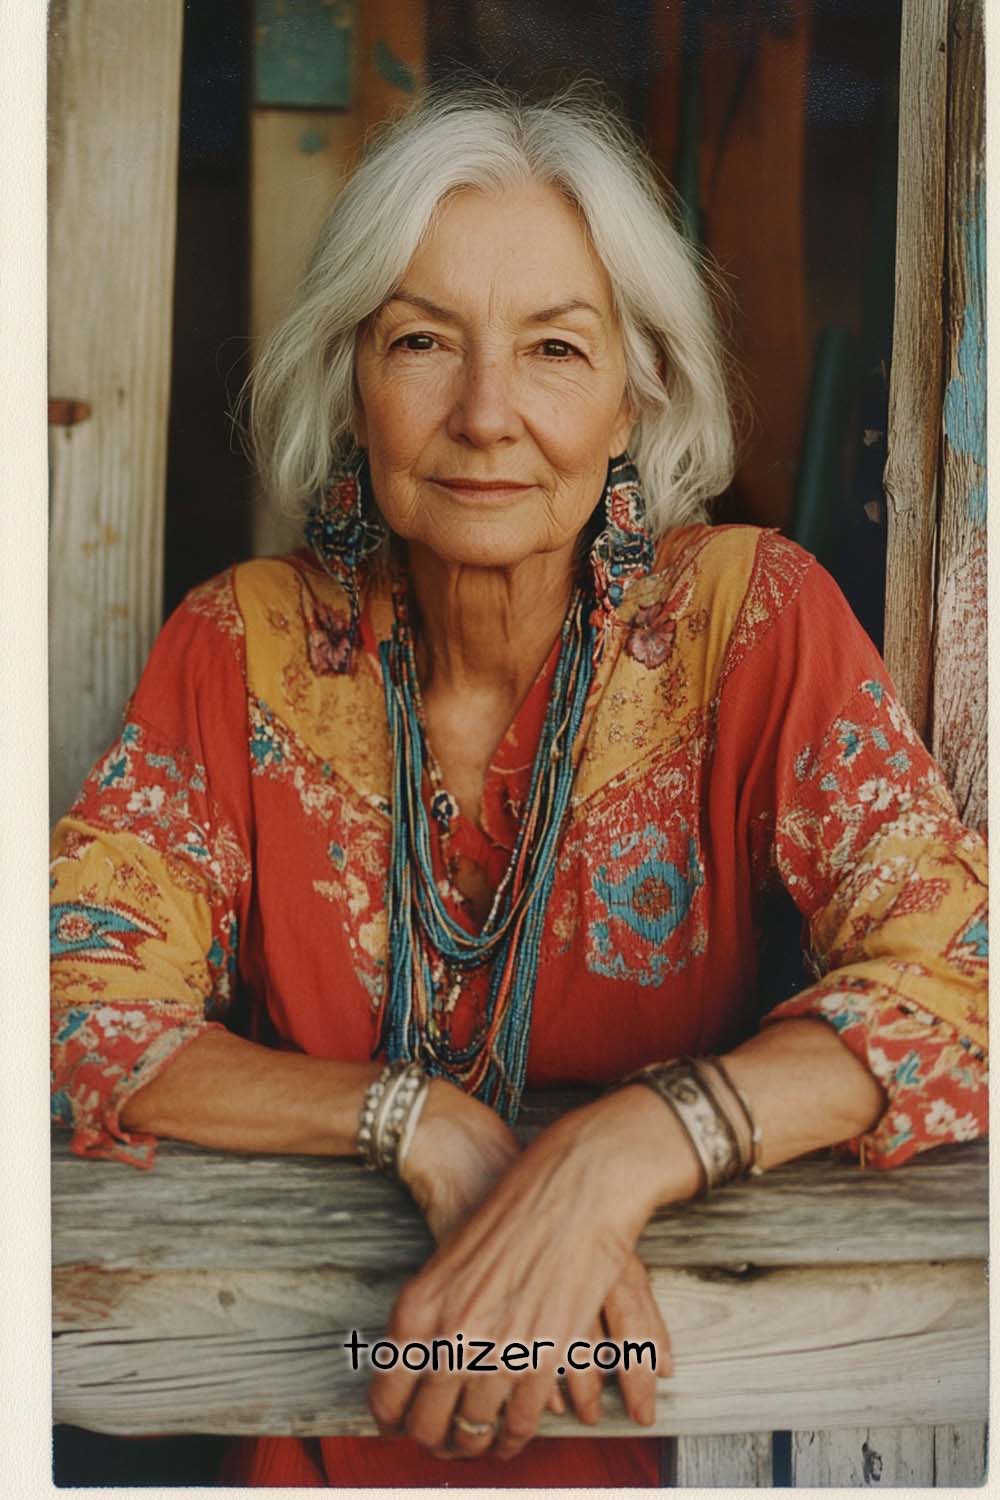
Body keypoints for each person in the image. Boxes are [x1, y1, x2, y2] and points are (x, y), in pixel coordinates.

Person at [50, 88, 987, 1489]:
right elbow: (66, 996)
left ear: (636, 399)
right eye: (423, 342)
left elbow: (958, 972)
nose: (487, 415)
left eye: (555, 348)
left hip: (676, 1408)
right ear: (353, 378)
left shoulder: (748, 621)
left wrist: (626, 1146)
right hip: (325, 1409)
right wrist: (413, 1118)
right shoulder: (239, 646)